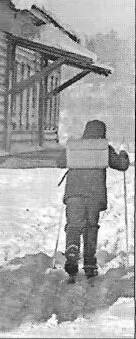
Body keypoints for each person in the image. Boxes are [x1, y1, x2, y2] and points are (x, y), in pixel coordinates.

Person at [57, 120, 129, 280]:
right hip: (94, 197)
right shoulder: (104, 148)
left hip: (74, 195)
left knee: (74, 226)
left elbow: (60, 162)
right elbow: (122, 165)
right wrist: (123, 154)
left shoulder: (74, 146)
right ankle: (89, 263)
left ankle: (72, 251)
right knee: (90, 227)